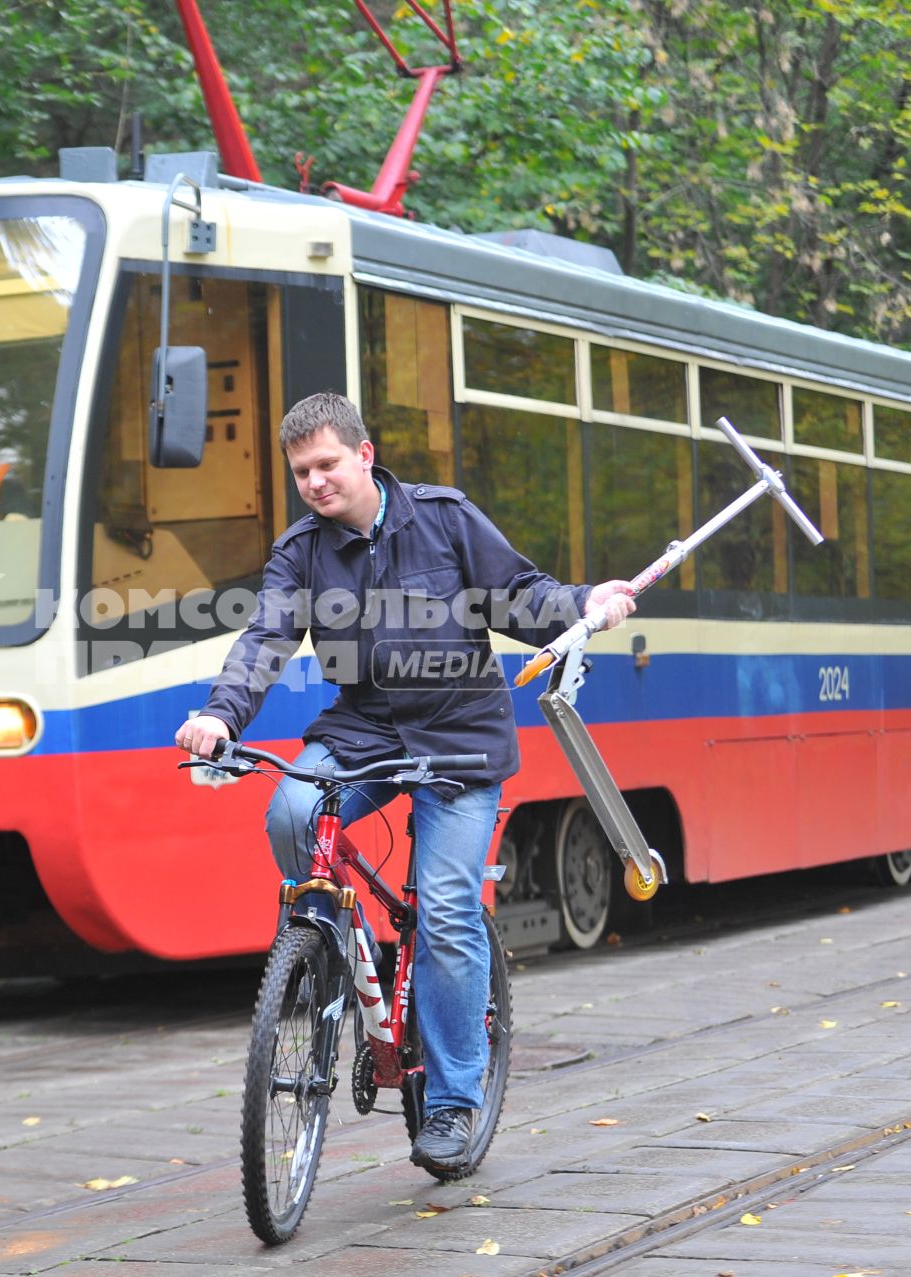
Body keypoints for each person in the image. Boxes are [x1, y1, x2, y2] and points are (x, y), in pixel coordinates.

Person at [174, 391, 634, 1174]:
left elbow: (520, 594)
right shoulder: (301, 551)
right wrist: (222, 716)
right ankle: (325, 952)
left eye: (326, 464)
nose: (315, 482)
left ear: (364, 455)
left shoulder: (445, 518)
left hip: (459, 738)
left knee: (449, 909)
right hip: (364, 729)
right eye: (301, 471)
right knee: (291, 812)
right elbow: (265, 637)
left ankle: (454, 1099)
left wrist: (583, 605)